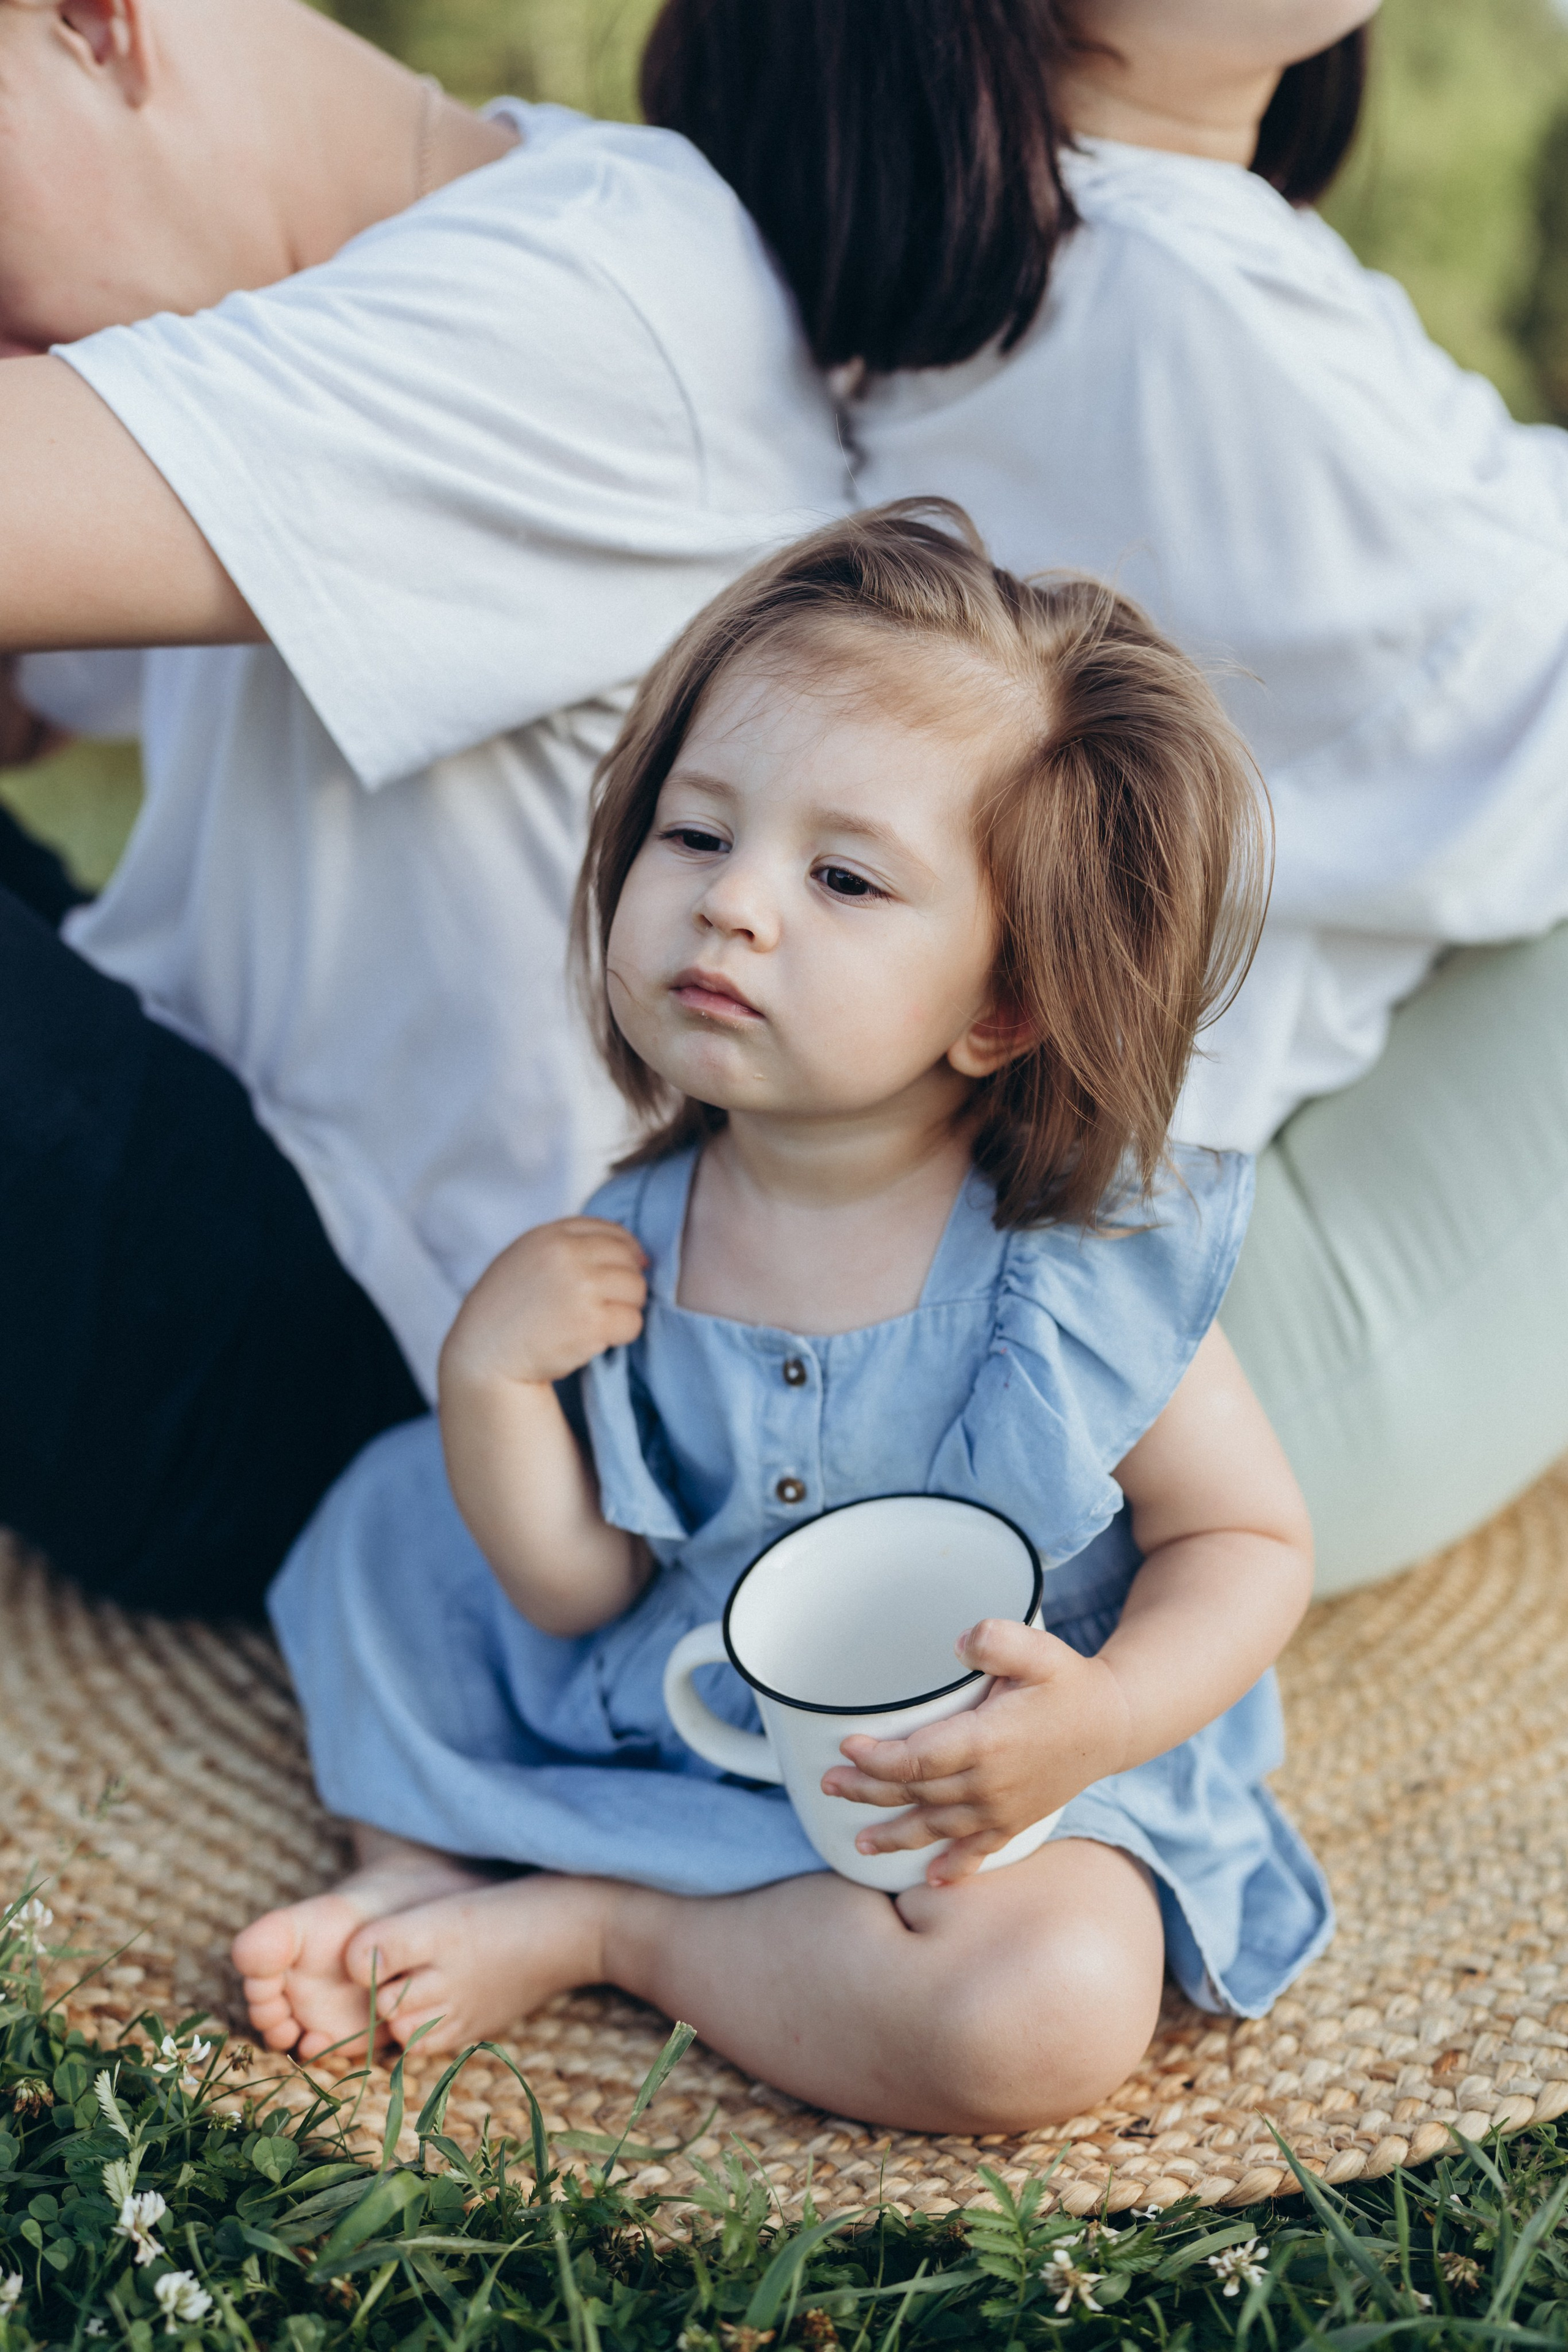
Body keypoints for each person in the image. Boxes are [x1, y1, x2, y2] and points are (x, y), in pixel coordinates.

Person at [232, 505, 1330, 2132]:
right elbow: (577, 1586)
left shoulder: (1071, 1270)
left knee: (1051, 2007)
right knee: (392, 1530)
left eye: (842, 875)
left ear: (1004, 1004)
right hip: (701, 1711)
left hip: (978, 1773)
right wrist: (492, 1384)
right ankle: (414, 1868)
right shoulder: (631, 1249)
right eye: (696, 836)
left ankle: (615, 1920)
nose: (736, 905)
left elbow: (1245, 1546)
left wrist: (1095, 1720)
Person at [639, 0, 1568, 1595]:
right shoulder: (1153, 308)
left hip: (1106, 1321)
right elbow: (1518, 711)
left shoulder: (1133, 253)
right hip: (1171, 1390)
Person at [0, 0, 849, 1615]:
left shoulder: (598, 288)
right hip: (209, 1139)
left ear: (96, 26)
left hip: (422, 1385)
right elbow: (32, 704)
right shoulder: (306, 307)